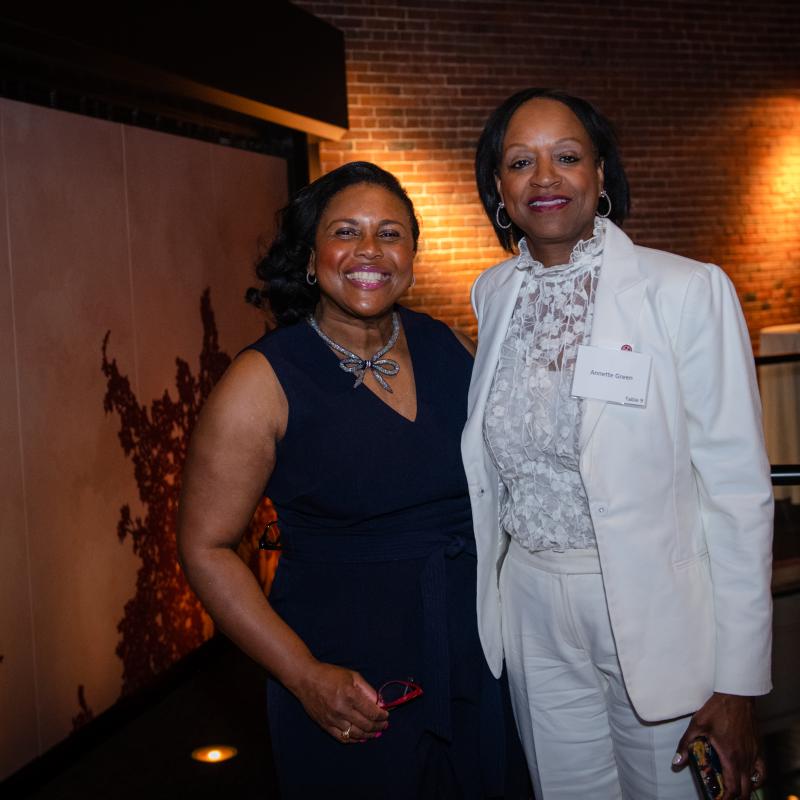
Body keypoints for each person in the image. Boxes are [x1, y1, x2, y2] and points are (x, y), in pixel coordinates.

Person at [462, 88, 773, 799]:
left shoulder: (687, 291)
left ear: (601, 175)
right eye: (520, 162)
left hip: (659, 611)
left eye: (567, 157)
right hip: (531, 606)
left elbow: (737, 493)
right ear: (498, 188)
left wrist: (737, 681)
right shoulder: (493, 294)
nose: (545, 178)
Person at [178, 161, 524, 799]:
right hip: (347, 679)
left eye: (390, 234)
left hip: (476, 661)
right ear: (312, 257)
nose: (371, 250)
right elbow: (207, 547)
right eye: (347, 232)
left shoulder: (450, 347)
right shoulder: (262, 381)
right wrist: (304, 676)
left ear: (412, 256)